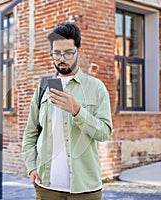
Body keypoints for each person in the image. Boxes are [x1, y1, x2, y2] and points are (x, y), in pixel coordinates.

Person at [22, 22, 113, 200]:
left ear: (79, 51)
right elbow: (31, 132)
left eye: (68, 52)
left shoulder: (96, 87)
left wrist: (77, 111)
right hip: (46, 186)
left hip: (85, 189)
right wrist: (31, 166)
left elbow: (104, 132)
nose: (61, 58)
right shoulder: (43, 87)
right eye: (56, 53)